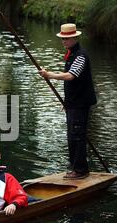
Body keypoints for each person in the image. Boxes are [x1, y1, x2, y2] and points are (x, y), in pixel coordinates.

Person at [39, 23, 97, 179]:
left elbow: (71, 76)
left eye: (67, 39)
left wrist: (50, 75)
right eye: (62, 39)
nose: (63, 42)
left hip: (80, 104)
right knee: (72, 136)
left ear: (75, 38)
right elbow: (71, 83)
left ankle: (81, 170)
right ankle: (75, 168)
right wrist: (67, 102)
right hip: (73, 104)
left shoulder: (80, 55)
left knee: (77, 136)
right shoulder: (72, 54)